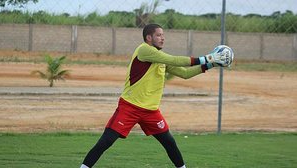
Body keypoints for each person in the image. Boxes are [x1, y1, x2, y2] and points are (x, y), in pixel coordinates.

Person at [80, 23, 230, 168]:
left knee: (169, 142)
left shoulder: (159, 58)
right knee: (106, 141)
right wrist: (208, 58)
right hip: (129, 107)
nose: (162, 38)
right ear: (148, 38)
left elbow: (185, 74)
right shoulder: (144, 50)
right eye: (158, 35)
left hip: (151, 112)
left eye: (163, 35)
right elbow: (174, 60)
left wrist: (210, 65)